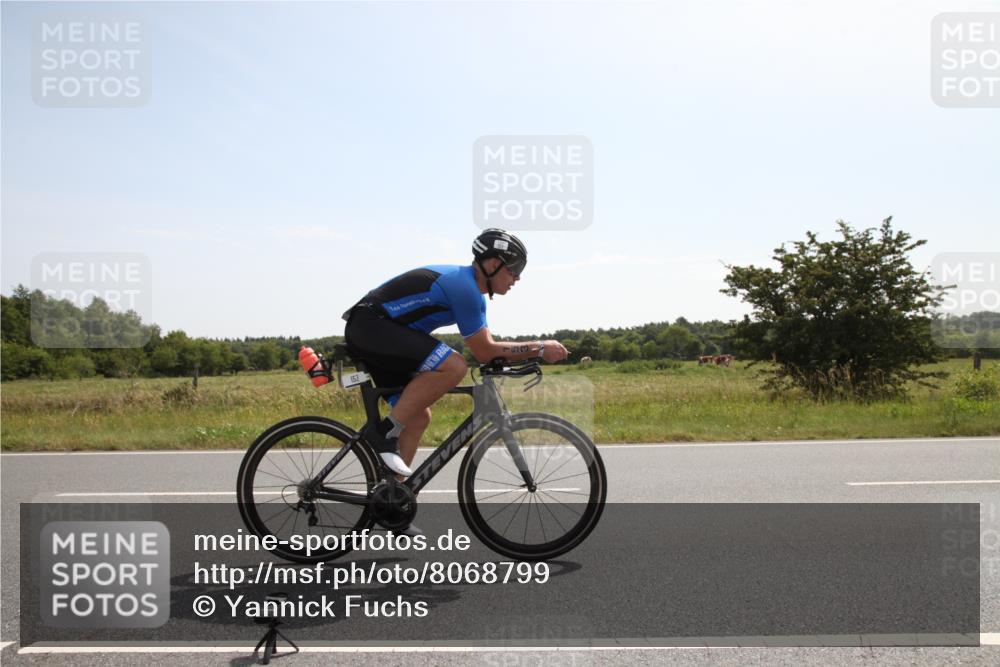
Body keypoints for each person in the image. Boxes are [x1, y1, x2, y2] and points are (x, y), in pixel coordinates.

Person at [342, 228, 569, 480]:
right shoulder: (464, 287)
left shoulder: (475, 295)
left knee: (417, 418)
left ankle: (391, 500)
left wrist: (521, 356)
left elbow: (489, 349)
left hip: (381, 332)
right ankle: (383, 433)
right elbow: (484, 351)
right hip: (371, 326)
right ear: (494, 264)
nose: (517, 278)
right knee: (454, 366)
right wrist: (539, 348)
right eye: (514, 270)